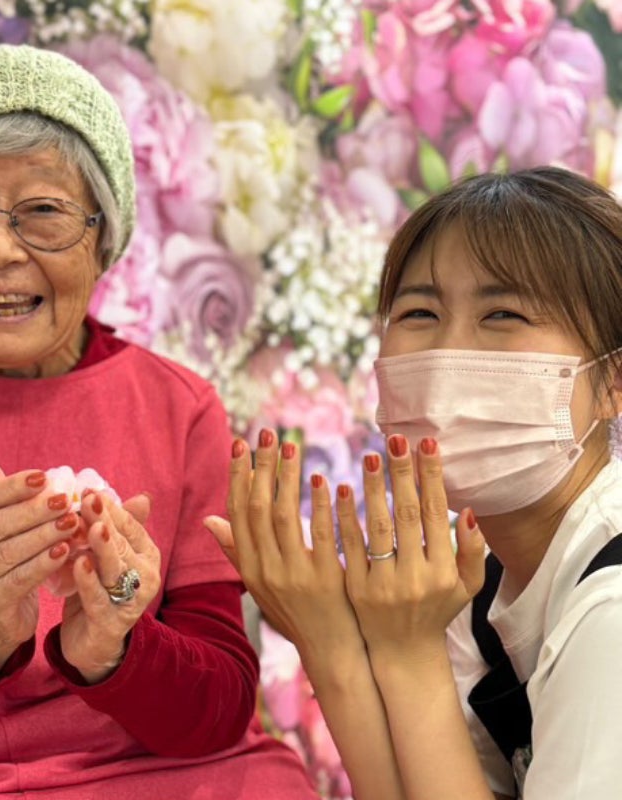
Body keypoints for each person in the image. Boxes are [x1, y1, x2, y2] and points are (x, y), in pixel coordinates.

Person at [0, 44, 319, 800]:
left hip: (169, 777)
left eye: (44, 213)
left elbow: (219, 708)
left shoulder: (182, 408)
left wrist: (114, 645)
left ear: (102, 241)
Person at [207, 166, 622, 800]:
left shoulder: (610, 612)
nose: (448, 352)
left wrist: (407, 651)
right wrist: (329, 642)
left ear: (613, 382)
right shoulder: (477, 584)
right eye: (420, 312)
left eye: (503, 313)